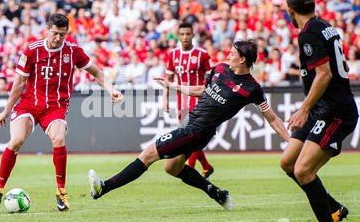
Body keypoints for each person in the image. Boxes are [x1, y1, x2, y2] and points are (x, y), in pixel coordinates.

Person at [88, 39, 290, 210]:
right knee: (172, 168)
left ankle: (103, 187)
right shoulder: (220, 68)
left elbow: (271, 117)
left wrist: (290, 141)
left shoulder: (252, 88)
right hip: (190, 123)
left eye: (232, 53)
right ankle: (216, 193)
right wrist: (174, 86)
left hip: (199, 131)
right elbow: (203, 90)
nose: (227, 55)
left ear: (243, 59)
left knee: (148, 154)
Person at [0, 13, 123, 211]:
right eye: (55, 33)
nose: (58, 38)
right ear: (47, 30)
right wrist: (6, 111)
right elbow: (19, 82)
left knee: (58, 138)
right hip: (29, 104)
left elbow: (98, 73)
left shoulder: (73, 51)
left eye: (63, 34)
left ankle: (61, 192)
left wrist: (112, 90)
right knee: (16, 141)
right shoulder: (33, 50)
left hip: (55, 107)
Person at [280, 0, 358, 222]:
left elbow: (324, 74)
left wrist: (303, 109)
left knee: (303, 170)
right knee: (288, 162)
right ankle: (334, 209)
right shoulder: (325, 26)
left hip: (335, 111)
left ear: (290, 10)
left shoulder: (309, 34)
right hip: (320, 109)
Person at [164, 22, 214, 177]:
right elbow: (169, 78)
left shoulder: (202, 54)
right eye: (182, 34)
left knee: (191, 135)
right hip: (181, 102)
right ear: (178, 36)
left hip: (199, 100)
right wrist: (165, 99)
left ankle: (191, 168)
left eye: (188, 34)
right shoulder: (173, 55)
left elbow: (211, 77)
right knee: (190, 136)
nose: (185, 37)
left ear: (193, 35)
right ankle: (206, 167)